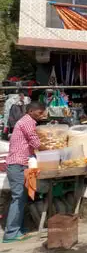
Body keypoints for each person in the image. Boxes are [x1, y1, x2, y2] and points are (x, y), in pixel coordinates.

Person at [4, 102, 45, 243]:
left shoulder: (27, 121)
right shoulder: (28, 121)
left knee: (21, 199)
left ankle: (18, 229)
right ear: (31, 111)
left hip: (21, 164)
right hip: (17, 165)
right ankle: (10, 234)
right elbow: (35, 142)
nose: (42, 115)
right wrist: (52, 148)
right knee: (18, 198)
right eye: (40, 113)